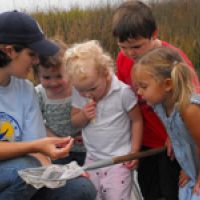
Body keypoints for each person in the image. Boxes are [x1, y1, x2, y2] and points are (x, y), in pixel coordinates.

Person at [0, 10, 96, 200]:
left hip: (23, 176)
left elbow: (39, 154)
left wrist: (62, 173)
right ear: (9, 51)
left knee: (82, 188)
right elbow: (35, 149)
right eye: (31, 54)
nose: (36, 62)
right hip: (20, 173)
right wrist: (36, 147)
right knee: (26, 170)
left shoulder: (26, 89)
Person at [112, 1, 199, 199]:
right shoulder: (123, 59)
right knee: (149, 189)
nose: (130, 53)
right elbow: (124, 95)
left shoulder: (174, 61)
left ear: (154, 34)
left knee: (171, 190)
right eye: (123, 47)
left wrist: (174, 134)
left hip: (173, 144)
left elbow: (191, 100)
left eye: (136, 46)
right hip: (146, 139)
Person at [64, 40, 143, 200]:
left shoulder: (122, 93)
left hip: (119, 160)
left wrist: (134, 151)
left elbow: (137, 121)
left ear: (106, 74)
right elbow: (74, 122)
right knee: (93, 196)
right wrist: (83, 116)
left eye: (92, 88)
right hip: (92, 158)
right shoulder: (80, 94)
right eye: (81, 90)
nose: (88, 95)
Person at [133, 46, 200, 200]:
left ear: (168, 84)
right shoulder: (159, 105)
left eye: (144, 86)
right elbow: (179, 133)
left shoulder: (189, 109)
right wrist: (189, 168)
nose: (139, 92)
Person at [34, 39, 86, 166]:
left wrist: (90, 133)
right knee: (64, 181)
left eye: (59, 76)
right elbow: (38, 123)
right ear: (37, 76)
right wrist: (56, 140)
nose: (53, 82)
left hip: (87, 147)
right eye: (46, 78)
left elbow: (93, 112)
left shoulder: (80, 87)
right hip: (58, 150)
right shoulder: (38, 94)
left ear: (69, 70)